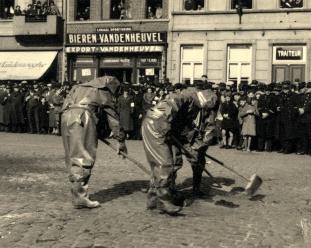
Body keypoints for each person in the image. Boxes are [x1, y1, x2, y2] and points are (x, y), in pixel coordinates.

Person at [141, 82, 217, 215]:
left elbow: (184, 126)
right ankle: (163, 201)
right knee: (164, 164)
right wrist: (166, 123)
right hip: (156, 126)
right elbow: (171, 103)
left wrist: (192, 146)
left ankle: (153, 198)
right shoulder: (188, 96)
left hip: (163, 127)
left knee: (170, 162)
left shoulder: (194, 103)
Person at [61, 76, 127, 209]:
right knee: (83, 157)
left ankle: (77, 194)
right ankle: (80, 197)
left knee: (72, 157)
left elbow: (64, 107)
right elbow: (112, 118)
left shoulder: (77, 87)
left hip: (66, 118)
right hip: (83, 118)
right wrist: (121, 141)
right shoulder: (102, 91)